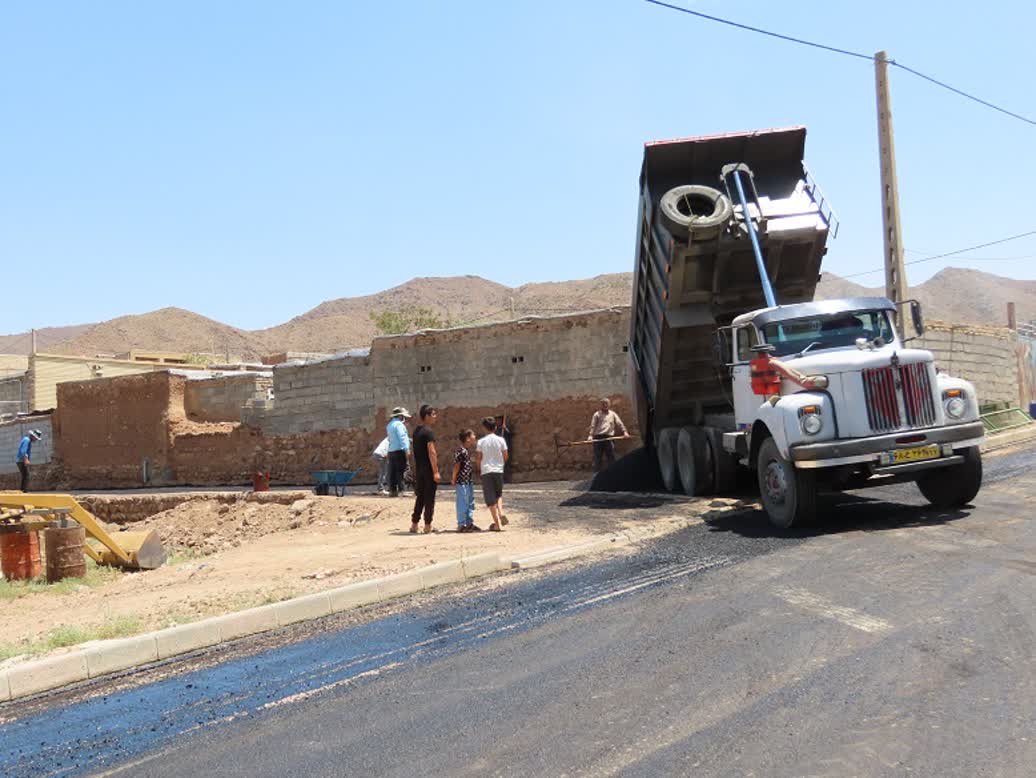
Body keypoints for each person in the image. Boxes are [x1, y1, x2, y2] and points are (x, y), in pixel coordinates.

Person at [410, 404, 440, 534]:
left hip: (419, 469)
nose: (435, 417)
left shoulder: (416, 431)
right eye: (433, 414)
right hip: (428, 469)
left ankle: (414, 524)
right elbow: (431, 452)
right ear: (426, 416)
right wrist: (436, 471)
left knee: (420, 497)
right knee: (429, 497)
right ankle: (428, 525)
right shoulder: (428, 432)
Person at [476, 417, 509, 531]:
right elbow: (505, 455)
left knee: (490, 499)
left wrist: (479, 469)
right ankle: (501, 512)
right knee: (498, 494)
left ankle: (497, 524)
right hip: (498, 470)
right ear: (495, 427)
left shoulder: (481, 442)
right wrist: (501, 464)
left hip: (486, 471)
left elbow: (479, 458)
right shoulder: (501, 440)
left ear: (484, 428)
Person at [587, 398, 629, 472]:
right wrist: (590, 436)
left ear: (609, 404)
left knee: (611, 457)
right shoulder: (597, 414)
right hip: (598, 438)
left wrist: (625, 432)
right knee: (597, 457)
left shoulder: (612, 414)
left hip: (609, 438)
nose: (605, 405)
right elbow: (593, 425)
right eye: (603, 404)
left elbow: (619, 423)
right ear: (601, 405)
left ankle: (612, 474)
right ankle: (596, 475)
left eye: (606, 403)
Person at [452, 429, 480, 533]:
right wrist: (454, 478)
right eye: (473, 435)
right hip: (462, 481)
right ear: (468, 438)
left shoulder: (466, 450)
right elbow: (456, 466)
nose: (475, 436)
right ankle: (461, 524)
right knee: (462, 502)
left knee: (469, 502)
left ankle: (469, 523)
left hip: (468, 481)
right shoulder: (461, 451)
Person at [386, 407, 411, 497]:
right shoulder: (399, 425)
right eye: (403, 416)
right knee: (401, 470)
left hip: (391, 451)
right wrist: (407, 449)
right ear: (400, 416)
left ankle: (392, 491)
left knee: (392, 471)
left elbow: (390, 438)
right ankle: (402, 490)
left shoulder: (389, 425)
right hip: (399, 450)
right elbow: (402, 437)